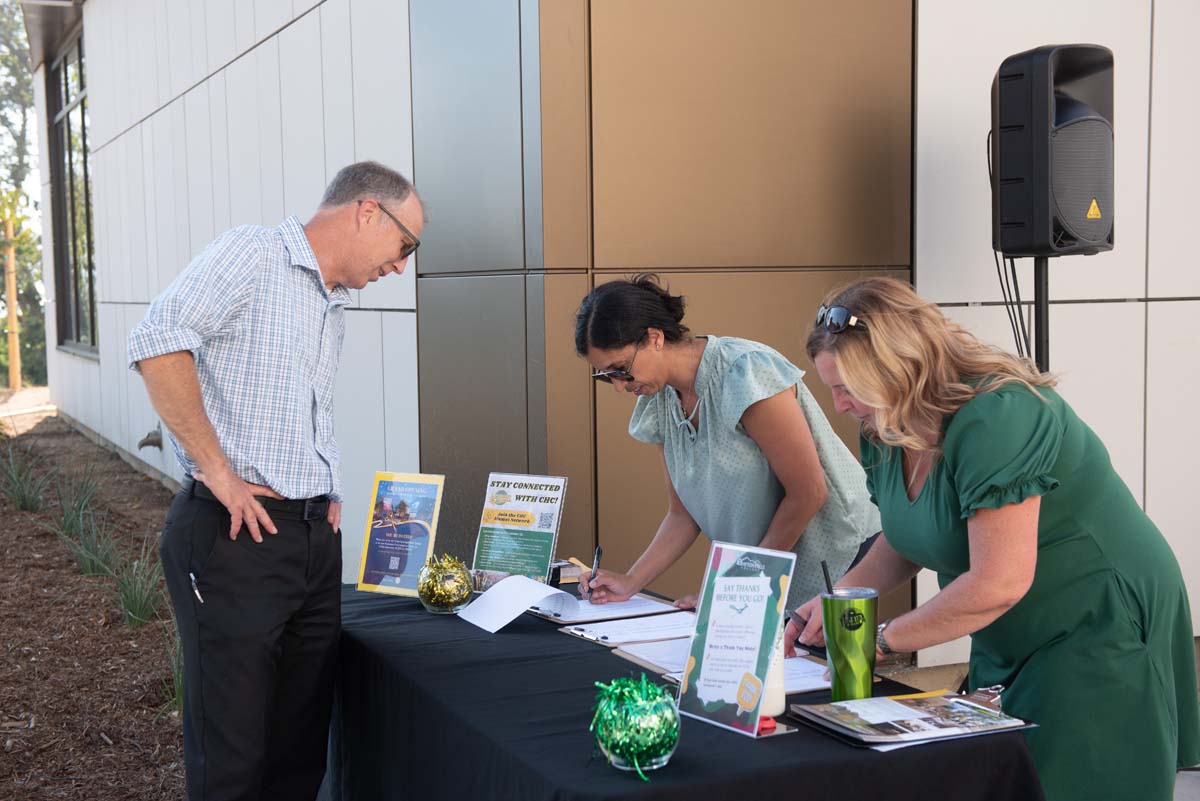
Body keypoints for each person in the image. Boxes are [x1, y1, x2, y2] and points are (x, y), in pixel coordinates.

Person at [787, 276, 1199, 801]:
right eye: (832, 389)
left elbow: (1000, 580)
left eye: (848, 388)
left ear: (899, 366)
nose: (840, 406)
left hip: (1094, 614)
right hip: (1006, 621)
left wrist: (882, 638)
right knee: (1008, 778)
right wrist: (836, 605)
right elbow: (906, 535)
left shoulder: (999, 416)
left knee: (1076, 776)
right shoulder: (883, 425)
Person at [129, 161, 426, 801]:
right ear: (368, 211)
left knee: (298, 761)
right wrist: (220, 472)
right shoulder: (254, 254)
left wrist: (329, 488)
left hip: (312, 542)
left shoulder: (331, 303)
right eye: (406, 246)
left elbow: (296, 408)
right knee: (234, 766)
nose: (401, 266)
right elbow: (156, 340)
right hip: (237, 537)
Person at [573, 274, 880, 614]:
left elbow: (808, 492)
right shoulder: (659, 397)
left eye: (621, 369)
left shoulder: (743, 371)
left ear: (654, 338)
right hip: (767, 565)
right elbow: (682, 514)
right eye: (606, 376)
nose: (619, 385)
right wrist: (631, 581)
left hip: (840, 549)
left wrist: (737, 588)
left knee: (821, 667)